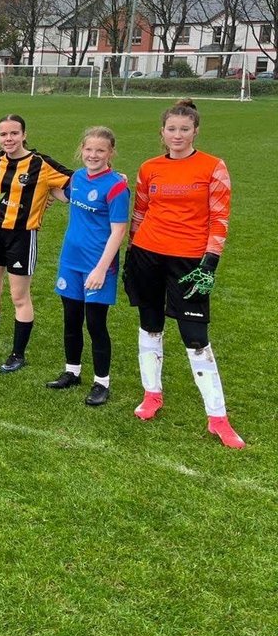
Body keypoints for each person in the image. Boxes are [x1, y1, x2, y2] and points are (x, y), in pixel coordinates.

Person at [124, 99, 244, 449]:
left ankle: (217, 418)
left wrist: (210, 262)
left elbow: (219, 217)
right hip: (147, 254)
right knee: (150, 324)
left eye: (184, 129)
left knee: (195, 336)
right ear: (162, 132)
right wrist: (132, 252)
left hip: (190, 261)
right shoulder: (149, 168)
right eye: (171, 129)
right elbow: (140, 211)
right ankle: (152, 395)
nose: (177, 135)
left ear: (195, 131)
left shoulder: (213, 167)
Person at [0, 114, 72, 372]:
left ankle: (18, 353)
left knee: (19, 296)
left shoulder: (40, 164)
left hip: (22, 236)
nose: (9, 139)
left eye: (14, 133)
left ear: (24, 135)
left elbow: (76, 183)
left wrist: (110, 177)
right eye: (4, 134)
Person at [47, 126, 128, 407]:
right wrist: (43, 192)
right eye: (89, 149)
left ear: (110, 153)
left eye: (100, 150)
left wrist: (101, 269)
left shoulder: (117, 186)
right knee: (71, 320)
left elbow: (119, 231)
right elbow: (66, 196)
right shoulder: (78, 177)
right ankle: (72, 372)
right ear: (82, 149)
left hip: (97, 266)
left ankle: (101, 382)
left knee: (95, 324)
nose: (93, 155)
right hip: (70, 262)